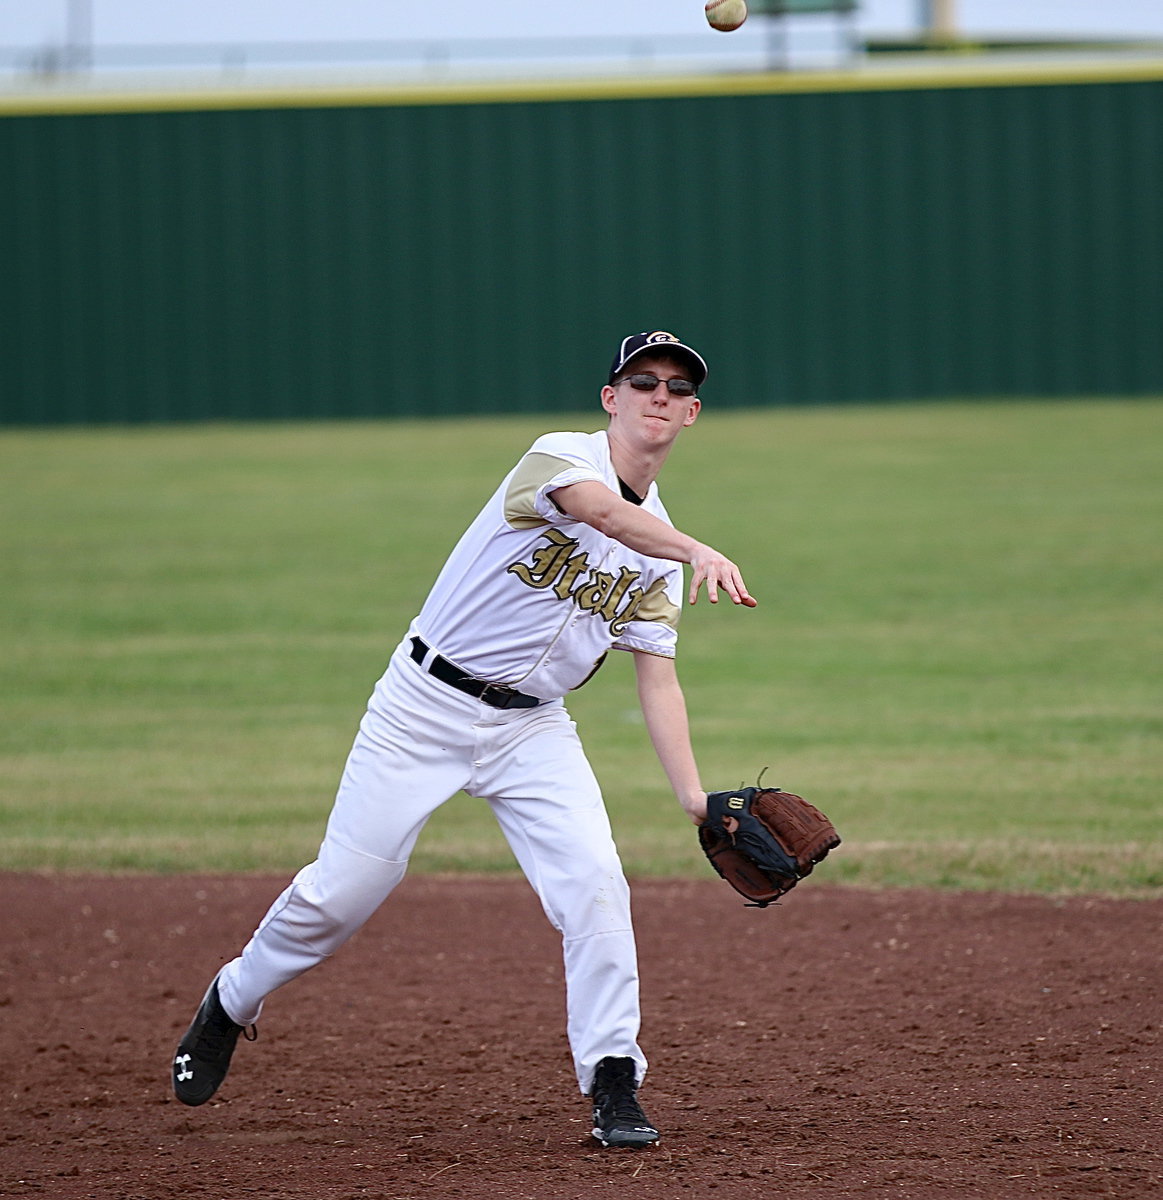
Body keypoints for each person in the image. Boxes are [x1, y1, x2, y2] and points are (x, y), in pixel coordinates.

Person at [171, 330, 756, 1148]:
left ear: (691, 414)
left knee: (594, 884)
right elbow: (598, 513)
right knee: (342, 894)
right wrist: (694, 545)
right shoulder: (560, 458)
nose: (658, 395)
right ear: (609, 398)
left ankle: (613, 1079)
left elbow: (655, 677)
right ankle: (232, 998)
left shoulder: (658, 560)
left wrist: (693, 797)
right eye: (642, 380)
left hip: (532, 729)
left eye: (675, 387)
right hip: (422, 707)